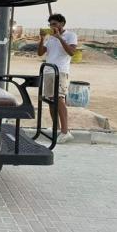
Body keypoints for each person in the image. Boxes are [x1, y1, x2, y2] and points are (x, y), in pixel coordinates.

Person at [38, 13, 77, 143]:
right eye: (50, 24)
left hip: (60, 71)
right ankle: (56, 128)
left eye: (54, 24)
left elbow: (71, 52)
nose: (52, 26)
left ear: (62, 24)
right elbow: (40, 53)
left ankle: (66, 131)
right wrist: (42, 38)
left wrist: (60, 38)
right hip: (49, 71)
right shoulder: (50, 38)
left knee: (59, 99)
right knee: (50, 100)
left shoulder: (70, 35)